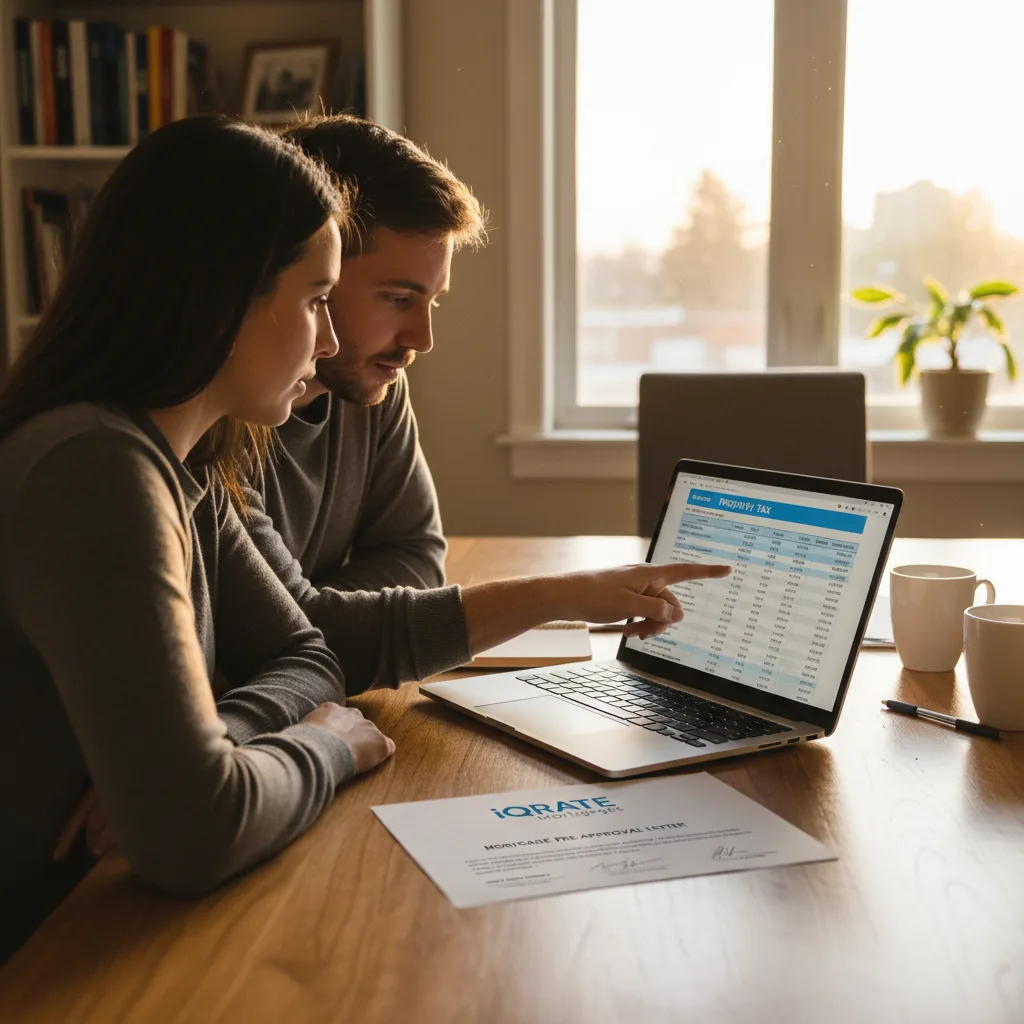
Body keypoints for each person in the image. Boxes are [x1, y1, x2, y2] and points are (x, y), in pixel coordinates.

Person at [0, 115, 397, 963]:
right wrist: (328, 743)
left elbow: (311, 654)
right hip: (42, 955)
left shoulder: (186, 464)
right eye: (318, 299)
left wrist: (230, 737)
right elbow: (193, 835)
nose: (330, 341)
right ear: (225, 293)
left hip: (99, 921)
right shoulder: (95, 470)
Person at [244, 116, 729, 694]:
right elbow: (295, 638)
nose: (421, 339)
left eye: (433, 302)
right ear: (310, 272)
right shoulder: (214, 423)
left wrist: (330, 608)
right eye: (397, 298)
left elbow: (415, 554)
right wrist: (554, 595)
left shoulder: (375, 385)